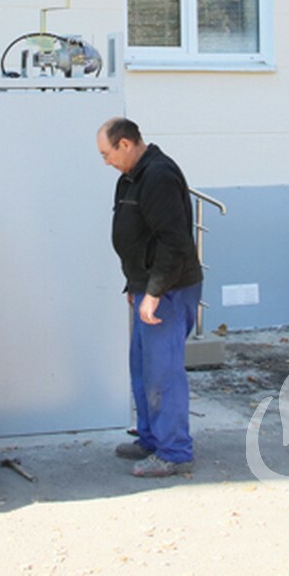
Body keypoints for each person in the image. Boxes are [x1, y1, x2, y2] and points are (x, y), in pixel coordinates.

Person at [96, 117, 203, 477]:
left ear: (125, 144)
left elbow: (174, 242)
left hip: (169, 289)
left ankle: (174, 452)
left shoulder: (158, 177)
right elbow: (135, 237)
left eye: (107, 153)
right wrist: (134, 285)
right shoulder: (129, 178)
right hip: (146, 285)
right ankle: (151, 439)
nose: (105, 161)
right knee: (142, 367)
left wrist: (155, 291)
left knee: (163, 373)